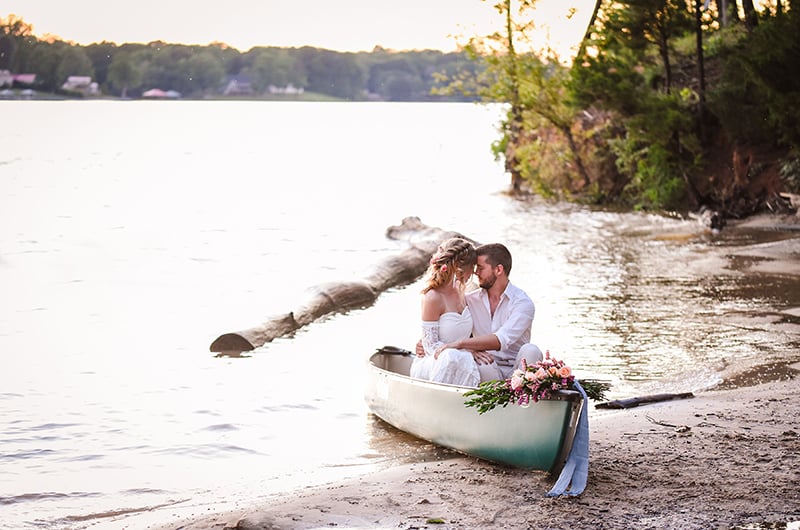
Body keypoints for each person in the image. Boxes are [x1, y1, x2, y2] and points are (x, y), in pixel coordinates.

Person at [415, 242, 543, 384]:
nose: (475, 272)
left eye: (480, 268)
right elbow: (451, 325)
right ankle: (495, 398)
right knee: (483, 365)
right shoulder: (469, 299)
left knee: (532, 350)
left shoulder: (522, 303)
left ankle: (525, 396)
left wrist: (460, 345)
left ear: (498, 270)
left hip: (517, 366)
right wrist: (423, 342)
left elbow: (502, 339)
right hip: (485, 364)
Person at [409, 237, 480, 387]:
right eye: (472, 268)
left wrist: (472, 350)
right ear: (459, 268)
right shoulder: (432, 297)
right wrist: (464, 352)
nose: (473, 273)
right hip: (434, 361)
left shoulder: (466, 290)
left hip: (461, 355)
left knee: (481, 364)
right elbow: (430, 346)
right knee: (450, 356)